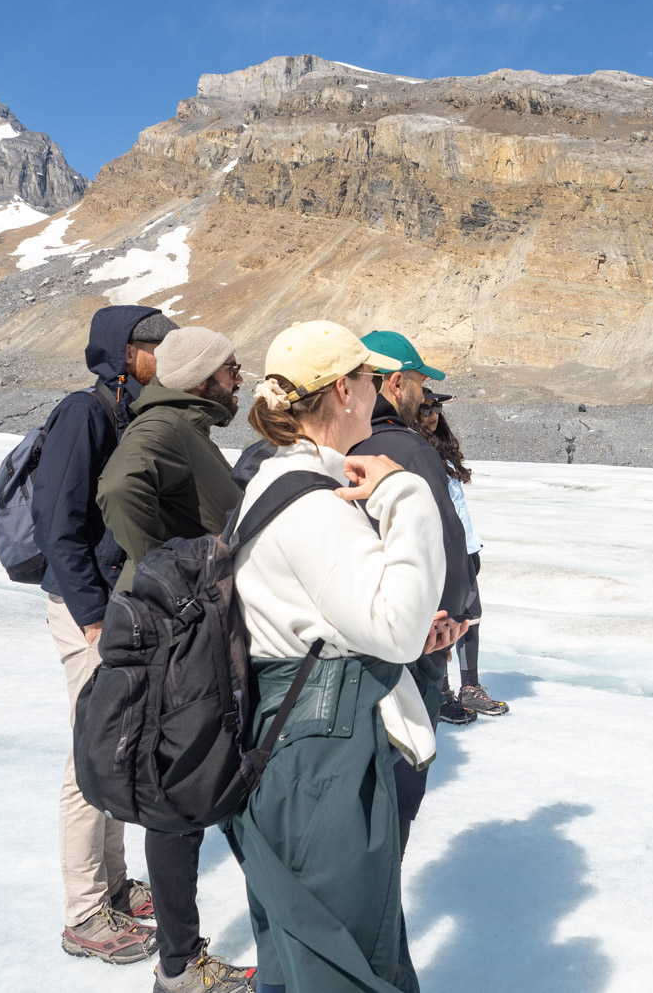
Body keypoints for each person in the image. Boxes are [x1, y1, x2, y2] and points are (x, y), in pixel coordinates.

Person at [225, 320, 460, 993]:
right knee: (351, 969)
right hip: (322, 759)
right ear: (343, 391)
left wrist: (408, 631)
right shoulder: (312, 505)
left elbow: (328, 616)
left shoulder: (274, 485)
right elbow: (389, 625)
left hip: (284, 747)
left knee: (302, 964)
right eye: (366, 379)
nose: (376, 391)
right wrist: (406, 493)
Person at [96, 325, 255, 992]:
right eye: (229, 368)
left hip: (191, 626)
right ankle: (179, 965)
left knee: (191, 779)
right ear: (197, 377)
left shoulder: (189, 428)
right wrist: (175, 569)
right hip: (174, 630)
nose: (239, 378)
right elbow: (117, 489)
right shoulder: (163, 428)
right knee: (175, 787)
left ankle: (178, 959)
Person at [33, 305, 172, 964]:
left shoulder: (130, 415)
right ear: (124, 353)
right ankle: (85, 911)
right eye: (156, 344)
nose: (166, 354)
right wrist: (91, 612)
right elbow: (55, 522)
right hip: (85, 609)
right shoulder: (82, 415)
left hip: (117, 607)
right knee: (91, 751)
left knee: (113, 746)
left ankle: (113, 883)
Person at [349, 331, 483, 849]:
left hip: (353, 638)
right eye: (421, 384)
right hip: (413, 639)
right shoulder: (405, 447)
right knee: (401, 776)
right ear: (395, 381)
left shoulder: (334, 445)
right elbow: (443, 540)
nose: (424, 397)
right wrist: (455, 614)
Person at [419, 388, 508, 718]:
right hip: (441, 551)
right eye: (424, 408)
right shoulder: (412, 451)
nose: (432, 415)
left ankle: (469, 687)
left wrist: (471, 547)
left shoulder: (438, 450)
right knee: (444, 620)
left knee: (471, 616)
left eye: (435, 408)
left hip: (464, 546)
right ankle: (441, 693)